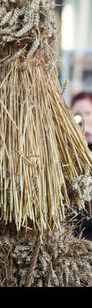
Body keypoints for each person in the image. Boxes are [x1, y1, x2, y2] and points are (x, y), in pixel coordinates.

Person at [71, 92, 92, 241]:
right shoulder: (69, 155)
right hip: (77, 238)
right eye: (78, 115)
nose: (84, 120)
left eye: (88, 113)